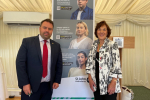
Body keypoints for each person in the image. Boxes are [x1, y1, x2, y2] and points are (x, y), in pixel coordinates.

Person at [16, 19, 63, 100]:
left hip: (48, 87)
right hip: (30, 85)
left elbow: (59, 65)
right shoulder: (27, 42)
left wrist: (56, 80)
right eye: (45, 28)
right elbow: (20, 63)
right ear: (40, 28)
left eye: (50, 29)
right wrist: (24, 83)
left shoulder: (56, 46)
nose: (47, 30)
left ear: (52, 31)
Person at [86, 21, 122, 100]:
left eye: (104, 29)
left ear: (107, 32)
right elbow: (89, 63)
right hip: (96, 83)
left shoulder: (113, 44)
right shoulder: (94, 45)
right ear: (96, 31)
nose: (101, 32)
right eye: (99, 29)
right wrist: (90, 78)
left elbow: (117, 65)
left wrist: (114, 81)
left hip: (109, 82)